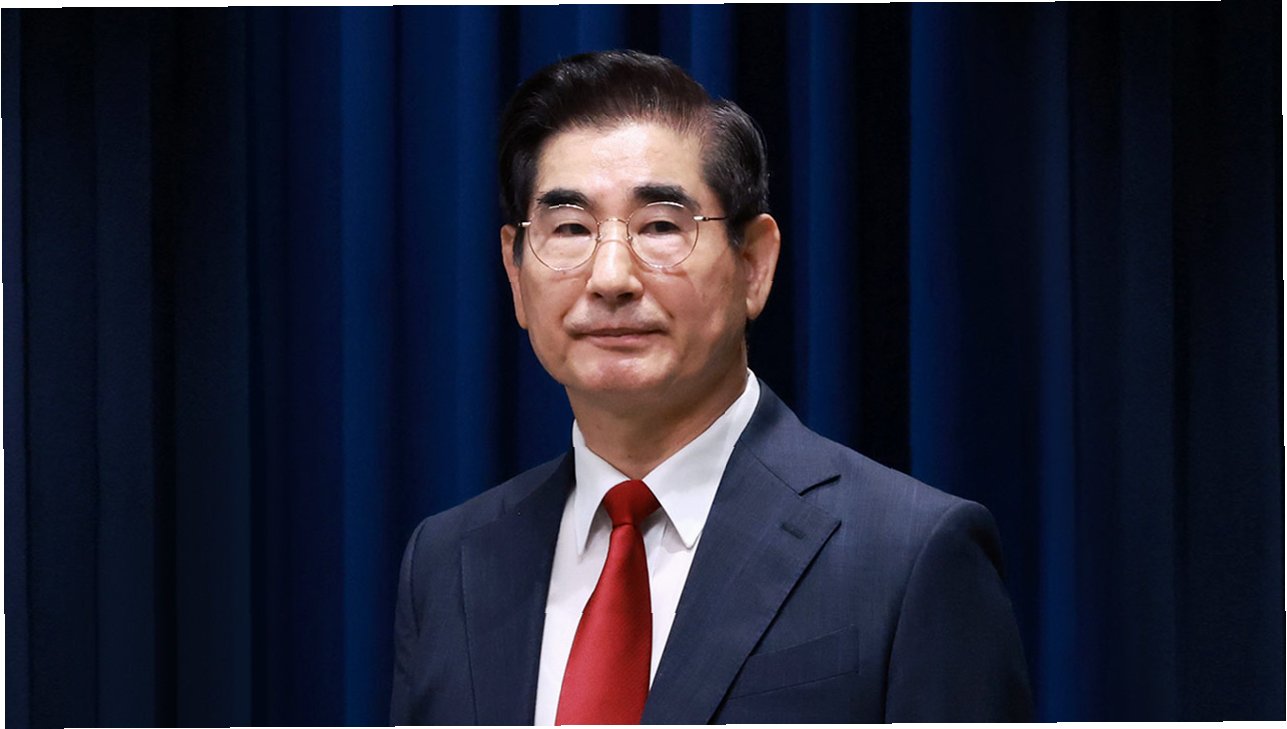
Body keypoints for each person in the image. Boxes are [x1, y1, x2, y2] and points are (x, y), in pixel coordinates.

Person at [389, 49, 1033, 725]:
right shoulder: (447, 563)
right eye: (571, 229)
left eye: (660, 227)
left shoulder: (909, 555)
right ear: (516, 273)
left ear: (753, 263)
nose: (610, 278)